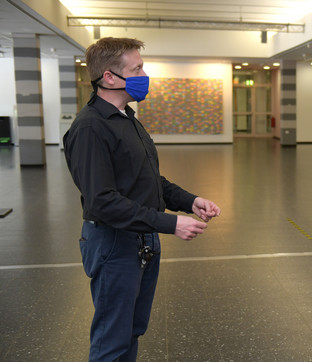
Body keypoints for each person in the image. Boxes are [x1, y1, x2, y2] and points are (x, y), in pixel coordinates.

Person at [63, 37, 221, 362]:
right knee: (112, 340)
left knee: (132, 330)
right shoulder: (91, 128)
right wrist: (170, 223)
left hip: (142, 239)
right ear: (109, 77)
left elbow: (148, 179)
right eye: (137, 69)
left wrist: (190, 201)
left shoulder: (127, 119)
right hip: (114, 244)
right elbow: (102, 202)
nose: (144, 75)